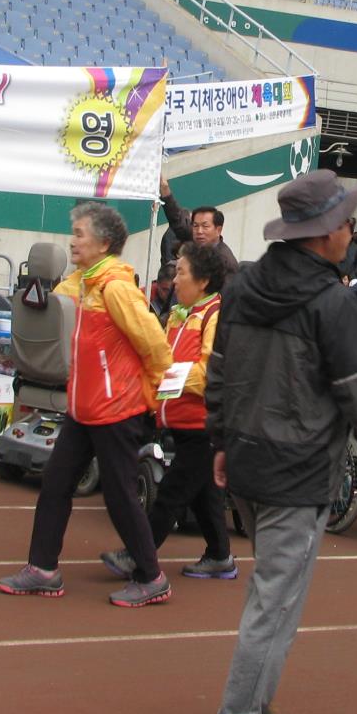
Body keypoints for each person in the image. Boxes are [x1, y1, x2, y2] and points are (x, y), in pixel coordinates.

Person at [202, 170, 357, 714]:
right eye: (346, 222)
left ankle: (254, 703)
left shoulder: (242, 287)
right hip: (297, 470)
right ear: (322, 234)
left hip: (245, 458)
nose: (352, 232)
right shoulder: (332, 303)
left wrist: (221, 439)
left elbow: (220, 371)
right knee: (275, 603)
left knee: (274, 598)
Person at [0, 202, 173, 607]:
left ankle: (152, 577)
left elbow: (156, 348)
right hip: (84, 408)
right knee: (56, 485)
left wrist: (151, 398)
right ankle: (43, 569)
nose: (72, 241)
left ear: (104, 243)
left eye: (79, 234)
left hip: (117, 411)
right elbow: (45, 304)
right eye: (73, 233)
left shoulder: (116, 289)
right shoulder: (81, 283)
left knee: (120, 496)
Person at [101, 242, 234, 583]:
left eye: (181, 273)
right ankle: (220, 556)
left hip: (205, 424)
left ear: (203, 281)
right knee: (204, 495)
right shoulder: (178, 315)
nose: (174, 281)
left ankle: (138, 554)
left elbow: (210, 374)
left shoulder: (215, 316)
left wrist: (167, 379)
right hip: (181, 421)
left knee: (171, 493)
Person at [158, 175, 240, 277]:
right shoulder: (196, 238)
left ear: (218, 230)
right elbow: (177, 221)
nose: (199, 231)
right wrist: (165, 190)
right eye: (195, 225)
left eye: (205, 226)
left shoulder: (226, 262)